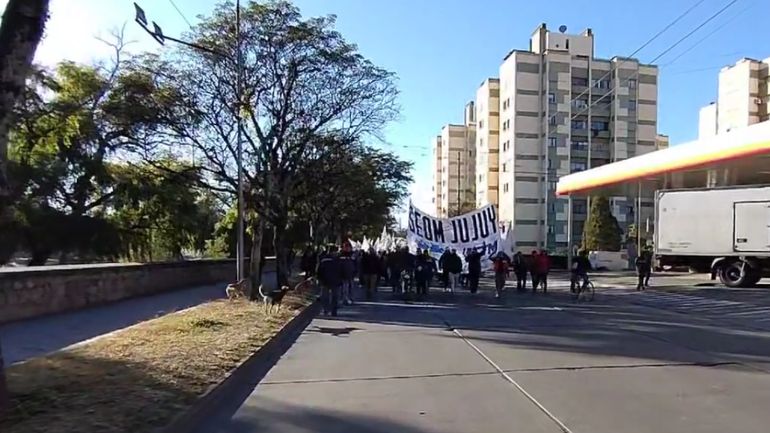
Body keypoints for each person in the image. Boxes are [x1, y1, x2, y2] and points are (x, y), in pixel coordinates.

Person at [317, 245, 342, 316]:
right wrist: (320, 279)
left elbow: (341, 270)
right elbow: (320, 270)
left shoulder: (338, 259)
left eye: (336, 251)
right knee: (325, 297)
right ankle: (326, 310)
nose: (335, 253)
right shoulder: (325, 259)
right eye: (334, 251)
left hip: (336, 281)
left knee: (335, 297)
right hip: (325, 281)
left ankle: (334, 310)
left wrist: (341, 278)